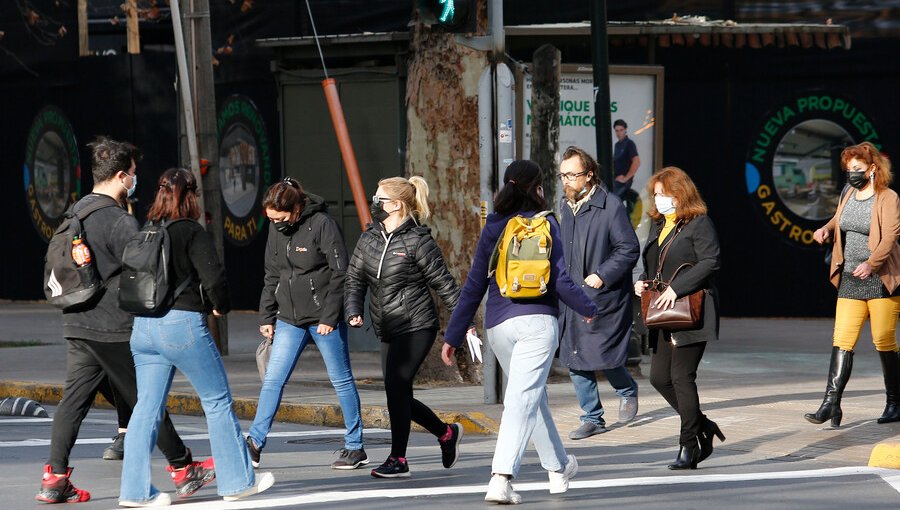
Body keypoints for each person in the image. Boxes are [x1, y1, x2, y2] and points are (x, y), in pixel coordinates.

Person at [36, 138, 208, 505]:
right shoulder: (116, 219)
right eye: (132, 174)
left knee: (73, 402)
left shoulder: (77, 211)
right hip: (112, 325)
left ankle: (54, 478)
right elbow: (146, 264)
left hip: (77, 322)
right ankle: (183, 469)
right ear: (119, 175)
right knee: (146, 400)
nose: (135, 179)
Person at [442, 160, 599, 505]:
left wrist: (453, 336)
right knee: (521, 400)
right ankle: (501, 478)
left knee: (531, 398)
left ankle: (558, 469)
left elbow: (472, 287)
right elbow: (560, 279)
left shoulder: (494, 226)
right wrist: (589, 308)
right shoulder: (547, 224)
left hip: (499, 326)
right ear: (537, 188)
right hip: (538, 325)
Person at [120, 168, 274, 506]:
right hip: (182, 325)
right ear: (190, 196)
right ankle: (236, 482)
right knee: (216, 402)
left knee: (146, 408)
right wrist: (221, 307)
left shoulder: (146, 229)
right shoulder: (191, 231)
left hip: (143, 327)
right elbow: (214, 278)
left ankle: (134, 492)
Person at [344, 176, 462, 479]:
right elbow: (354, 279)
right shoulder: (369, 237)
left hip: (417, 325)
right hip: (387, 325)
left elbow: (443, 282)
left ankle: (398, 459)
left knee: (396, 387)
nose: (374, 203)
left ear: (396, 204)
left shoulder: (418, 240)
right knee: (397, 393)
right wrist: (354, 309)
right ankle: (446, 433)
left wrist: (464, 323)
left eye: (379, 198)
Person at [248, 177, 367, 470]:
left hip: (322, 317)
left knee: (341, 379)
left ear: (296, 209)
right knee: (273, 380)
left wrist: (329, 317)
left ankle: (355, 447)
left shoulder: (323, 224)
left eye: (281, 217)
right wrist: (267, 315)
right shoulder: (276, 229)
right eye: (271, 219)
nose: (276, 223)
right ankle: (253, 443)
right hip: (288, 317)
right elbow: (271, 273)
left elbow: (341, 273)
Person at [633, 166, 723, 470]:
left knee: (682, 378)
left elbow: (710, 261)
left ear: (680, 194)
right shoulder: (661, 226)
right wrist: (644, 282)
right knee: (659, 378)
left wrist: (677, 287)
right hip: (663, 310)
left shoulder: (699, 223)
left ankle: (688, 446)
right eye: (656, 195)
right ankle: (703, 426)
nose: (658, 200)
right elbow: (659, 266)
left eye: (664, 194)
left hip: (691, 310)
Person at [806, 142, 900, 427]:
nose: (852, 175)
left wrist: (871, 263)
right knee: (842, 339)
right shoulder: (848, 193)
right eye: (849, 170)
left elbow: (891, 236)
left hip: (880, 278)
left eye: (857, 169)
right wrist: (826, 228)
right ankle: (830, 404)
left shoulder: (888, 197)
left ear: (872, 169)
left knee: (883, 340)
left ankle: (895, 401)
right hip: (850, 276)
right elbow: (839, 219)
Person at [557, 146, 641, 440]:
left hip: (600, 294)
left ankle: (627, 389)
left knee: (602, 353)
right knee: (574, 356)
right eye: (563, 175)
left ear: (589, 175)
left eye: (572, 174)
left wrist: (601, 275)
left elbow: (628, 248)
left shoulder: (611, 206)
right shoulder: (565, 207)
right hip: (571, 294)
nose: (567, 180)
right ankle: (592, 416)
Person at [613, 119, 640, 198]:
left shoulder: (629, 144)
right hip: (616, 180)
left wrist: (625, 178)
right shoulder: (617, 145)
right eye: (617, 130)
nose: (619, 133)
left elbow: (636, 161)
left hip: (623, 182)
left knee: (611, 200)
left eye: (621, 130)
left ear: (625, 130)